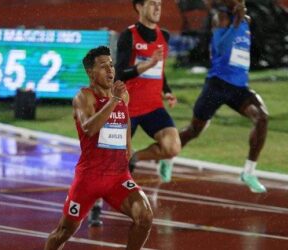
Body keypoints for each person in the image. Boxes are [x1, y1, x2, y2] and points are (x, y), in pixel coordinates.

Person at [45, 46, 153, 250]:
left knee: (145, 216)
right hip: (89, 179)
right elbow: (89, 128)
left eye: (111, 65)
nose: (110, 70)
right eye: (104, 66)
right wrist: (114, 100)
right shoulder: (83, 97)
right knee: (62, 233)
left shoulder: (123, 95)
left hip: (118, 177)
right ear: (90, 72)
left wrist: (128, 148)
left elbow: (125, 119)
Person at [88, 0, 181, 227]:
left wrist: (167, 91)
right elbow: (120, 72)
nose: (157, 7)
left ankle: (137, 157)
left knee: (172, 147)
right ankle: (96, 207)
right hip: (126, 107)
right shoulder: (128, 36)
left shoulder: (164, 36)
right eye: (152, 3)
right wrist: (147, 64)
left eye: (159, 3)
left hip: (153, 107)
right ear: (139, 7)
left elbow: (160, 71)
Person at [179, 0, 269, 193]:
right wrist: (236, 24)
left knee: (262, 118)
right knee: (194, 130)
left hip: (239, 88)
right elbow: (220, 47)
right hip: (217, 86)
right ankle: (167, 155)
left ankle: (249, 172)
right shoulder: (221, 17)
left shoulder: (247, 20)